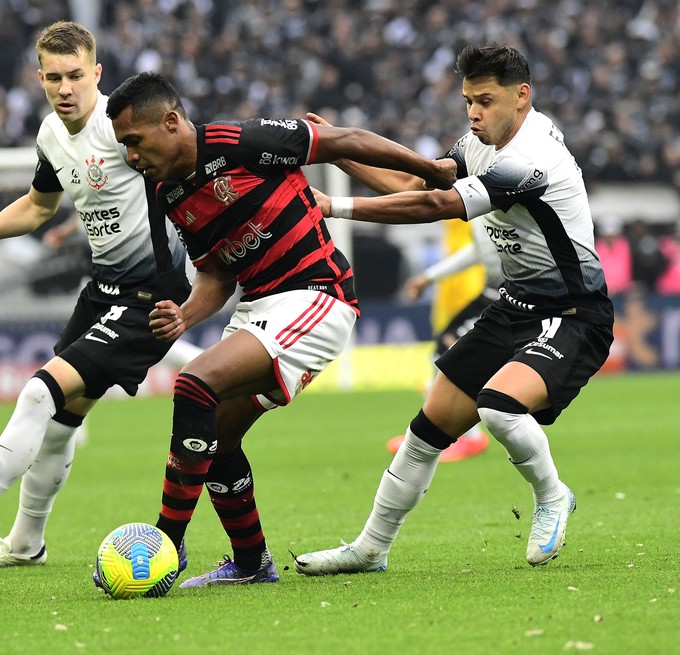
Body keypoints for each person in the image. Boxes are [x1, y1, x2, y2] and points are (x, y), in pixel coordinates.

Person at [104, 71, 454, 587]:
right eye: (122, 146)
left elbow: (348, 140)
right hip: (259, 308)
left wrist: (431, 168)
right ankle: (250, 565)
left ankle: (164, 546)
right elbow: (218, 273)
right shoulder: (165, 193)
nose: (131, 156)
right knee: (217, 436)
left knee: (193, 384)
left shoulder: (243, 142)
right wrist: (186, 315)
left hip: (318, 294)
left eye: (134, 141)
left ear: (172, 121)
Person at [0, 21, 202, 572]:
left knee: (38, 395)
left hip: (152, 296)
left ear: (96, 73)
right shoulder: (50, 135)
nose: (65, 88)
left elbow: (191, 163)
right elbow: (37, 206)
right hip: (102, 292)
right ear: (40, 78)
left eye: (76, 75)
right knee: (59, 423)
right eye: (54, 77)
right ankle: (26, 544)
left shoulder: (123, 127)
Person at [294, 43, 613, 574]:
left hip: (574, 314)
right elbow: (417, 184)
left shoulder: (532, 159)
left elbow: (435, 206)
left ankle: (553, 494)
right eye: (468, 100)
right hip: (514, 306)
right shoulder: (475, 144)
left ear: (521, 96)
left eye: (485, 100)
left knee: (499, 405)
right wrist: (341, 154)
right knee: (426, 431)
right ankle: (371, 548)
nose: (473, 112)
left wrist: (334, 206)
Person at [386, 216, 500, 461]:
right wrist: (430, 277)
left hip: (508, 297)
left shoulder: (503, 204)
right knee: (444, 353)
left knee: (450, 356)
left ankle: (461, 437)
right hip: (490, 295)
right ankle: (451, 435)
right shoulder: (485, 212)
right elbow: (481, 251)